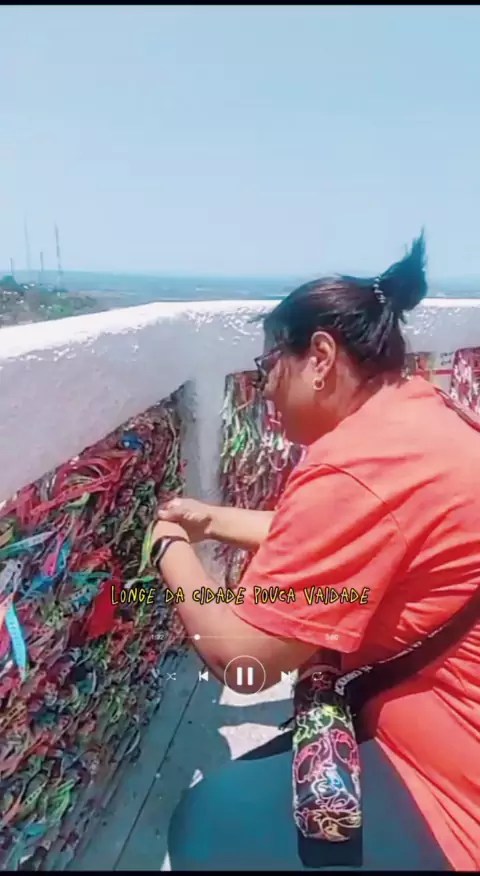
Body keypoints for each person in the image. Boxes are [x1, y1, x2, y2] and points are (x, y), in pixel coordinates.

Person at [152, 233, 480, 871]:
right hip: (440, 719)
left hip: (451, 789)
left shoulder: (354, 466)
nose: (265, 390)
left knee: (207, 823)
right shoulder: (417, 414)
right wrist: (212, 520)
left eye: (267, 366)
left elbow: (243, 659)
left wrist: (168, 546)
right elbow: (362, 535)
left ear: (320, 357)